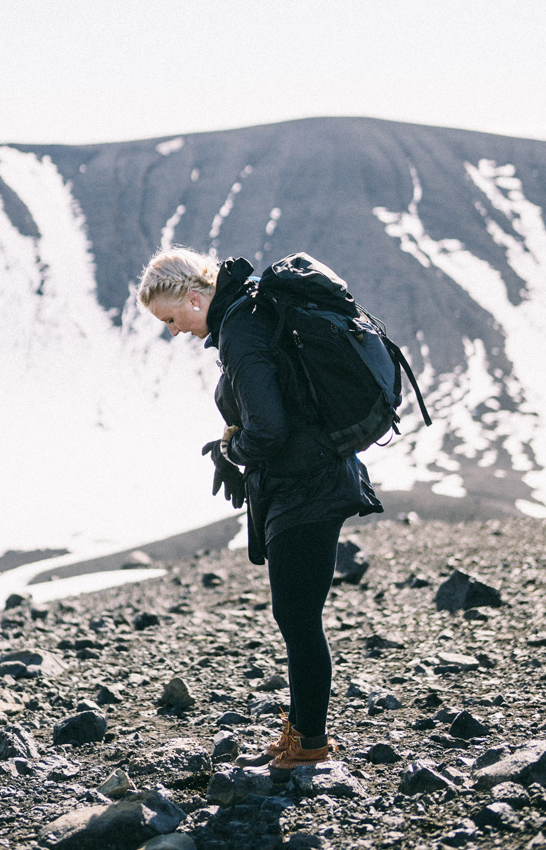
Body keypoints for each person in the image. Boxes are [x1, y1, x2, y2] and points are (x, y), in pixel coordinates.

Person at [137, 247, 383, 774]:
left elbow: (269, 430)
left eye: (171, 318)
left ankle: (310, 743)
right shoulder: (247, 316)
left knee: (297, 617)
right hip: (315, 479)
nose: (174, 331)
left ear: (195, 297)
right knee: (297, 615)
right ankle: (302, 729)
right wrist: (233, 441)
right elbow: (278, 409)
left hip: (307, 488)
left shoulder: (242, 330)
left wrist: (234, 451)